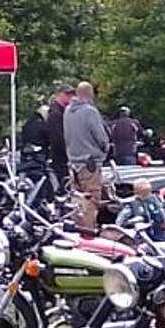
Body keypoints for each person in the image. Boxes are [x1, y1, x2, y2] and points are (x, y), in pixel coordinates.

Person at [63, 80, 110, 230]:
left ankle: (76, 228)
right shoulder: (90, 111)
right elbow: (99, 135)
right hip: (90, 163)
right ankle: (89, 232)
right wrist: (105, 147)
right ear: (90, 94)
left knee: (77, 201)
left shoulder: (67, 111)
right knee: (91, 200)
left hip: (73, 162)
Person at [44, 83, 74, 191]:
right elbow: (57, 138)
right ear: (58, 95)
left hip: (63, 156)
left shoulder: (64, 112)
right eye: (67, 94)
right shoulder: (56, 113)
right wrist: (68, 151)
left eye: (71, 94)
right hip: (60, 158)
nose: (70, 97)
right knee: (63, 186)